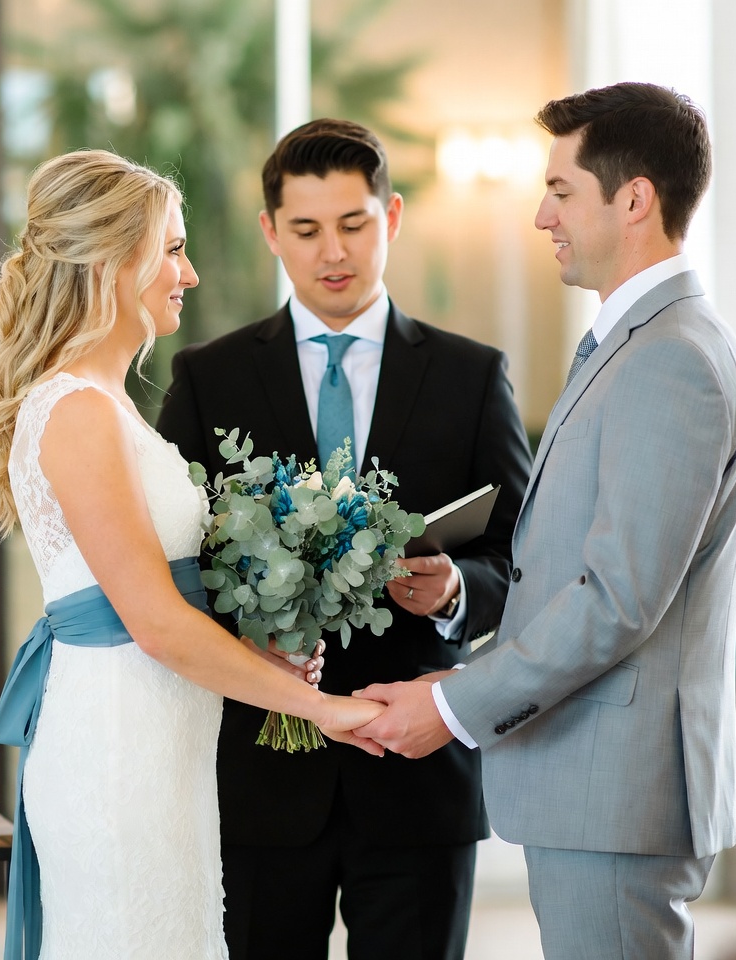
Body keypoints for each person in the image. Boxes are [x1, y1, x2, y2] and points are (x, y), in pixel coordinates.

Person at [354, 82, 736, 960]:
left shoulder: (671, 360)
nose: (543, 216)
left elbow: (616, 599)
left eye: (562, 190)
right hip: (593, 790)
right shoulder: (638, 344)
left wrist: (453, 704)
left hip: (614, 795)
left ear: (635, 199)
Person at [0, 148, 383, 960]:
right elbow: (154, 624)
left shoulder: (109, 403)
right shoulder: (78, 410)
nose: (188, 274)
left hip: (164, 744)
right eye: (172, 249)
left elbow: (158, 602)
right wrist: (322, 710)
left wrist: (259, 654)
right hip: (118, 749)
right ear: (110, 264)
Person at [157, 119, 533, 960]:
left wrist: (458, 591)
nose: (333, 252)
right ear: (270, 232)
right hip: (259, 777)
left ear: (391, 217)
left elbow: (521, 557)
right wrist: (249, 632)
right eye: (306, 229)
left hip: (417, 775)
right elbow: (172, 563)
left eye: (354, 224)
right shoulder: (209, 378)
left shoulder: (472, 376)